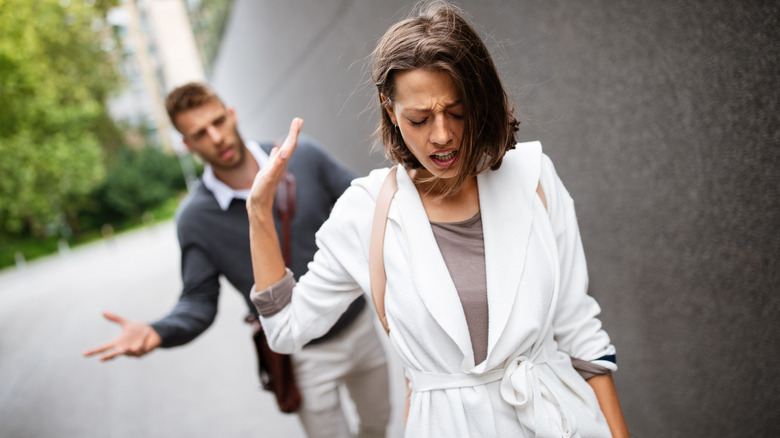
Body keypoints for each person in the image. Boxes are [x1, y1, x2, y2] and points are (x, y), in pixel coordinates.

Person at [246, 1, 630, 437]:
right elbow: (285, 330)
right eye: (420, 118)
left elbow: (579, 329)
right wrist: (259, 213)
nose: (442, 134)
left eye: (456, 110)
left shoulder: (534, 176)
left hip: (562, 421)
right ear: (391, 111)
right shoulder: (366, 210)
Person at [83, 83, 392, 438]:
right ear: (187, 144)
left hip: (359, 328)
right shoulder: (196, 218)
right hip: (301, 355)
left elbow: (370, 210)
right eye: (200, 133)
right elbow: (198, 301)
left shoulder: (301, 156)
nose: (216, 137)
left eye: (218, 121)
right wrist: (158, 331)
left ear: (232, 114)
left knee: (377, 426)